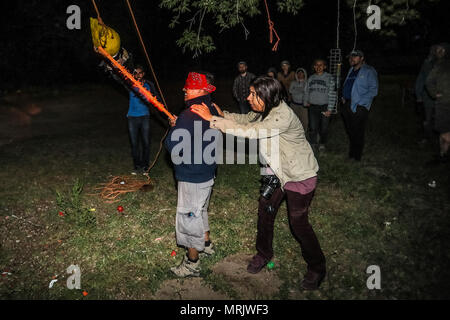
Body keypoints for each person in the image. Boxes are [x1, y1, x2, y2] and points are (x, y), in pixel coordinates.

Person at [191, 76, 327, 291]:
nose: (248, 97)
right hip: (275, 170)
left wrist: (213, 120)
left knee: (299, 224)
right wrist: (221, 114)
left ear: (268, 96)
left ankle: (317, 267)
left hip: (298, 174)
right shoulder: (264, 110)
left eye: (254, 94)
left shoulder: (282, 115)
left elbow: (252, 131)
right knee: (265, 212)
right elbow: (246, 120)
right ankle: (263, 254)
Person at [165, 71, 220, 277]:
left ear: (201, 89)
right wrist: (180, 125)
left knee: (189, 217)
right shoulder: (212, 108)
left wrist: (175, 128)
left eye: (189, 86)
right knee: (201, 209)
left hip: (192, 176)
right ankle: (206, 243)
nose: (185, 89)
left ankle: (192, 262)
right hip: (207, 173)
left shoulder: (188, 115)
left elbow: (173, 146)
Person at [341, 50, 378, 161]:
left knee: (357, 131)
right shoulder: (351, 70)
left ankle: (356, 157)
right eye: (350, 57)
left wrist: (360, 103)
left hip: (359, 106)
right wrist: (343, 96)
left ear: (362, 58)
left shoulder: (369, 71)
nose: (351, 59)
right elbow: (349, 85)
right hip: (346, 104)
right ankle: (352, 153)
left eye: (355, 56)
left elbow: (373, 90)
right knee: (350, 130)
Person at [127, 65, 162, 175]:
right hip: (132, 117)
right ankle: (137, 167)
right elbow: (119, 78)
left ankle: (145, 167)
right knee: (134, 143)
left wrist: (162, 108)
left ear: (143, 74)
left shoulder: (148, 85)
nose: (138, 75)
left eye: (140, 73)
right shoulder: (130, 85)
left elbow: (157, 98)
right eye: (136, 73)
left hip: (145, 116)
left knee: (146, 142)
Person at [304, 59, 337, 152]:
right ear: (314, 67)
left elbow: (332, 93)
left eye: (321, 65)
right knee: (313, 127)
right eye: (316, 65)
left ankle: (322, 143)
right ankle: (313, 143)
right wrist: (305, 101)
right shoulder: (311, 78)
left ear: (325, 67)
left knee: (324, 127)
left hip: (324, 106)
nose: (318, 67)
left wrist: (330, 109)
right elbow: (306, 91)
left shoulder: (329, 77)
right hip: (313, 107)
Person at [425, 43, 450, 164]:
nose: (440, 52)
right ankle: (442, 155)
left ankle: (443, 155)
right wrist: (435, 94)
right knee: (444, 132)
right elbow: (428, 82)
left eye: (443, 50)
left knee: (446, 134)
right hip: (443, 104)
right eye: (438, 50)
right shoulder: (438, 66)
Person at [415, 45, 440, 143]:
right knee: (427, 117)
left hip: (441, 96)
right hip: (429, 96)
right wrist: (419, 95)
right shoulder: (427, 63)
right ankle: (427, 137)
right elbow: (421, 79)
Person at [289, 67, 309, 136]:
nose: (300, 74)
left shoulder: (307, 83)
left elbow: (308, 93)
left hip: (303, 106)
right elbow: (290, 92)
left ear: (304, 74)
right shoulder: (293, 83)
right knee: (294, 120)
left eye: (302, 73)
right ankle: (294, 134)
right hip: (294, 105)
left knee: (304, 121)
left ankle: (303, 135)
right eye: (298, 73)